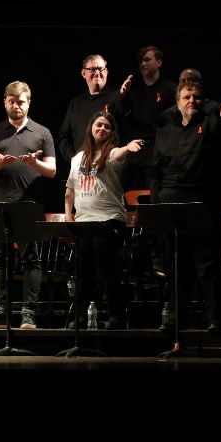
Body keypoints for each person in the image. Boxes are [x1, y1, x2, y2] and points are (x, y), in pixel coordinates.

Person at [149, 80, 221, 333]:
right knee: (177, 265)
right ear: (177, 102)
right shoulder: (167, 128)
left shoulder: (208, 123)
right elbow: (156, 169)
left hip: (202, 204)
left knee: (208, 264)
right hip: (170, 204)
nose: (192, 101)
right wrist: (155, 203)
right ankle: (177, 318)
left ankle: (215, 318)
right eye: (187, 97)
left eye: (197, 97)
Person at [0, 81, 56, 330]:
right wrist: (0, 163)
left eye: (21, 101)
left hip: (28, 206)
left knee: (31, 258)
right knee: (1, 259)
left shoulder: (41, 132)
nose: (16, 105)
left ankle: (28, 313)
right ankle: (2, 313)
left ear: (29, 102)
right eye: (12, 101)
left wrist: (34, 164)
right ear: (5, 102)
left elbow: (52, 170)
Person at [64, 111, 143, 329]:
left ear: (111, 132)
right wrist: (69, 216)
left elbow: (119, 154)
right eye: (99, 125)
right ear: (91, 127)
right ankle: (80, 317)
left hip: (109, 220)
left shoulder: (111, 153)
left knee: (107, 268)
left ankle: (116, 316)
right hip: (83, 221)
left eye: (107, 127)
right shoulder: (78, 158)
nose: (102, 129)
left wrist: (128, 147)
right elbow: (70, 190)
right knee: (82, 271)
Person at [117, 46, 177, 190]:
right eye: (140, 61)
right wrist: (123, 96)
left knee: (154, 196)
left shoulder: (170, 89)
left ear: (159, 62)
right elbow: (123, 116)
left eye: (147, 60)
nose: (143, 64)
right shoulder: (134, 90)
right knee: (132, 197)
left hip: (158, 152)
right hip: (135, 152)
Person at [58, 54, 123, 165]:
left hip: (107, 166)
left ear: (106, 71)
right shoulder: (76, 103)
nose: (97, 73)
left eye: (100, 69)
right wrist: (73, 158)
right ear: (84, 73)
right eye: (92, 69)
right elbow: (64, 137)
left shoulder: (117, 97)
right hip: (80, 168)